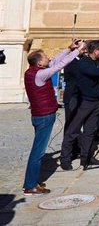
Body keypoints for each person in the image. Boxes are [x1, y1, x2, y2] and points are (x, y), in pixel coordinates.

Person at [23, 40, 84, 195]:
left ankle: (33, 180)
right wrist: (77, 52)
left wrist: (69, 49)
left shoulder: (32, 72)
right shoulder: (41, 74)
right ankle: (30, 185)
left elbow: (55, 61)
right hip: (44, 116)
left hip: (39, 114)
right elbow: (59, 66)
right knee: (38, 152)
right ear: (39, 61)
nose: (48, 58)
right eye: (44, 57)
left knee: (38, 150)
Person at [60, 40, 99, 170]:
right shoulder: (84, 63)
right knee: (73, 130)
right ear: (96, 50)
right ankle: (65, 158)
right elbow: (96, 73)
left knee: (90, 131)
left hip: (96, 101)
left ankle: (85, 157)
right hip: (83, 101)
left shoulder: (97, 62)